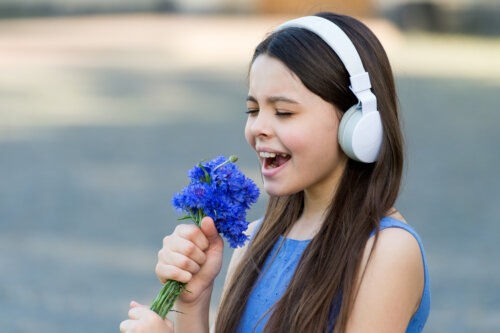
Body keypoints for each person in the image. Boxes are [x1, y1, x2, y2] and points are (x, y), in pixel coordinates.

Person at [120, 12, 430, 333]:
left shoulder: (386, 251)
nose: (258, 129)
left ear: (357, 125)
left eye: (283, 112)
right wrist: (192, 300)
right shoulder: (253, 243)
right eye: (253, 110)